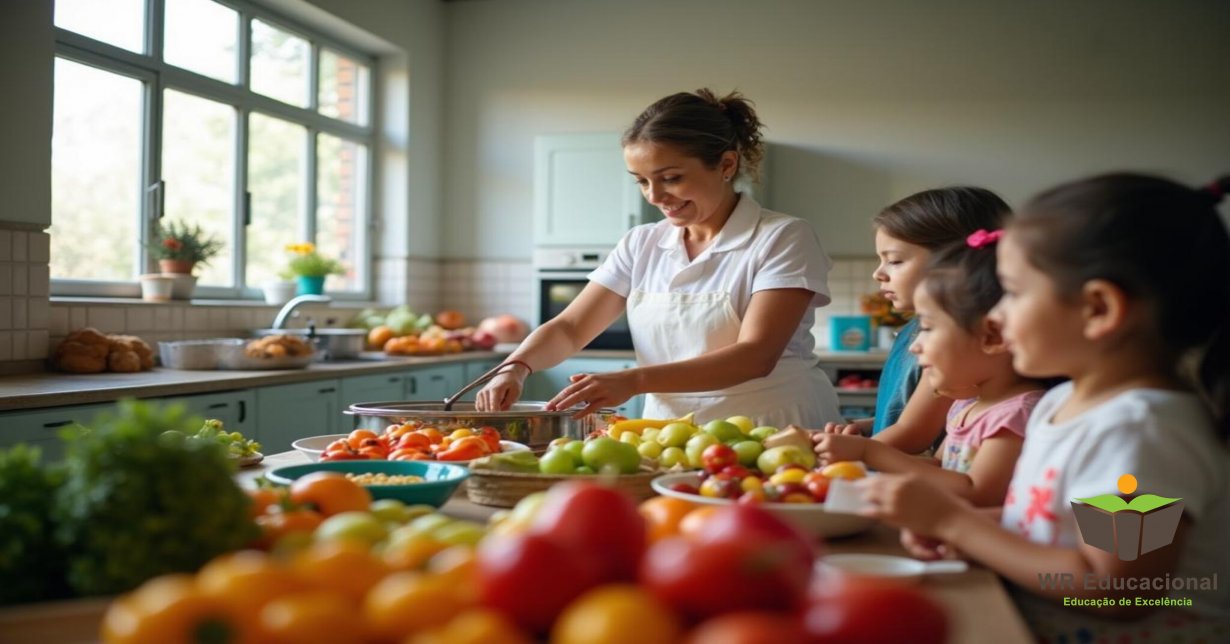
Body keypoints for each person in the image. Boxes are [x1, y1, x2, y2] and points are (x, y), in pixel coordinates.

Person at [860, 173, 1230, 639]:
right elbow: (1047, 525)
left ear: (1099, 309)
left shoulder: (1139, 430)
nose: (993, 315)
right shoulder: (1065, 403)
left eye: (1012, 292)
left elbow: (1121, 593)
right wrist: (965, 528)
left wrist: (954, 521)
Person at [475, 89, 842, 428]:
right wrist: (516, 366)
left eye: (671, 178)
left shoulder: (782, 237)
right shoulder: (641, 243)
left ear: (726, 165)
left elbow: (755, 355)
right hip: (668, 430)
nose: (654, 196)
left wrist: (634, 380)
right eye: (642, 181)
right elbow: (571, 328)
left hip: (770, 425)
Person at [814, 232, 1046, 507]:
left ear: (993, 337)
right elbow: (939, 469)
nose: (915, 346)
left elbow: (977, 491)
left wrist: (870, 452)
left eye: (927, 328)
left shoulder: (1016, 415)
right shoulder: (967, 405)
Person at [821, 188, 1012, 454]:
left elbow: (914, 432)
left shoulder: (955, 342)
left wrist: (852, 450)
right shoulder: (915, 331)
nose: (878, 273)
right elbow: (908, 415)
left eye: (895, 261)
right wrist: (869, 427)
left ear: (954, 261)